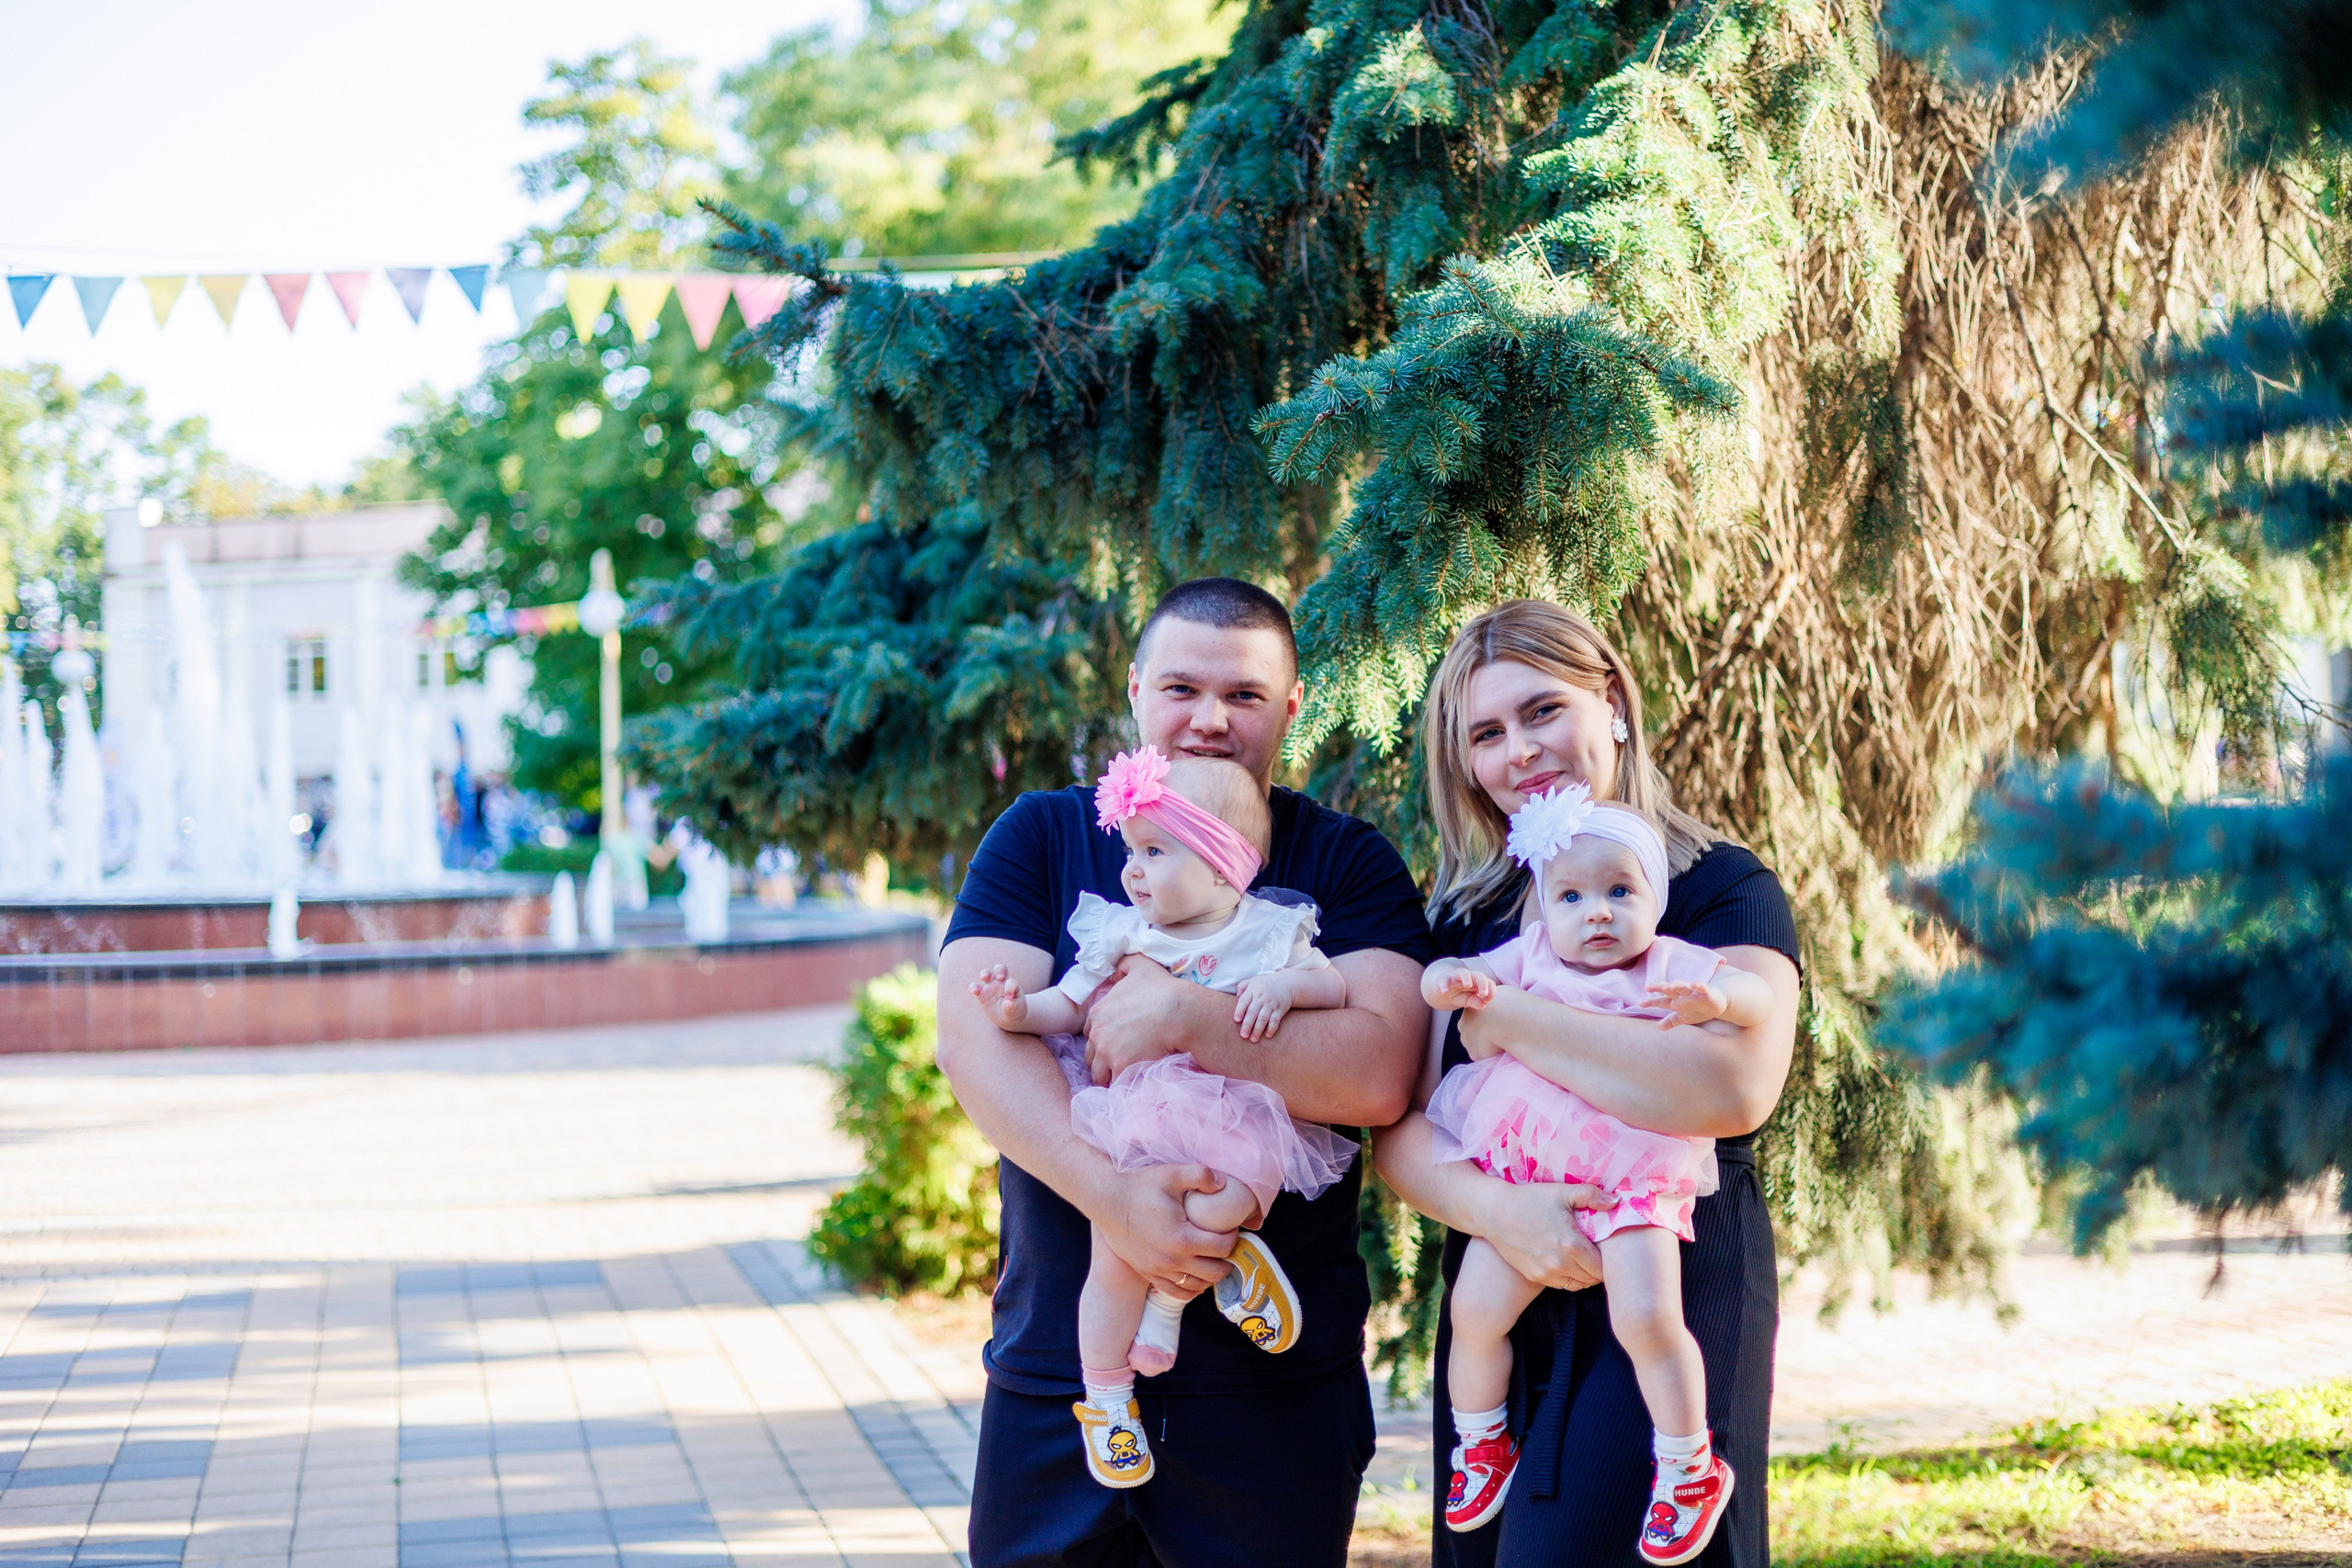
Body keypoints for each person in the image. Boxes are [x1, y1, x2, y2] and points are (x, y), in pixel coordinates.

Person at [938, 578, 1433, 1567]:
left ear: (1291, 707)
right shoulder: (1042, 836)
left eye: (1244, 696)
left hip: (1275, 1392)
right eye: (1181, 688)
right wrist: (1114, 1199)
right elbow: (975, 1042)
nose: (1209, 719)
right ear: (1134, 691)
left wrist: (1187, 1018)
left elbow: (1381, 1071)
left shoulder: (1346, 862)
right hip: (1063, 1376)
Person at [1371, 599, 1802, 1568]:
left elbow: (1730, 1087)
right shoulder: (1462, 917)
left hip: (1666, 1278)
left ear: (1610, 700)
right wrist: (1504, 1213)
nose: (1518, 751)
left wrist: (1511, 1020)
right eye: (1485, 733)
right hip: (1502, 1272)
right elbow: (1399, 1126)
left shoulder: (1717, 889)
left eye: (1541, 711)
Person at [969, 747, 1357, 1488]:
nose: (1132, 870)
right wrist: (1019, 1010)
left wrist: (1284, 990)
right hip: (1140, 1114)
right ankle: (1108, 1396)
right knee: (1116, 1256)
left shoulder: (1269, 931)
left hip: (1230, 1114)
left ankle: (1191, 1290)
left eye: (1154, 851)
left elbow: (1330, 985)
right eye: (1131, 851)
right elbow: (1069, 1004)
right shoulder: (1123, 932)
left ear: (1220, 866)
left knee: (1249, 1182)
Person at [1420, 784, 1770, 1557]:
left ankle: (1687, 1463)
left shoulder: (1666, 964)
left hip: (1631, 1177)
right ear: (1546, 905)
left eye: (1620, 890)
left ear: (1655, 895)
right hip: (1528, 1176)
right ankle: (1481, 1441)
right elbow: (1447, 979)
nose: (1598, 911)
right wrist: (1449, 982)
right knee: (1475, 1311)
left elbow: (1754, 997)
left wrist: (1717, 994)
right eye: (1572, 895)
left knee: (1647, 1318)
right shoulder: (1533, 956)